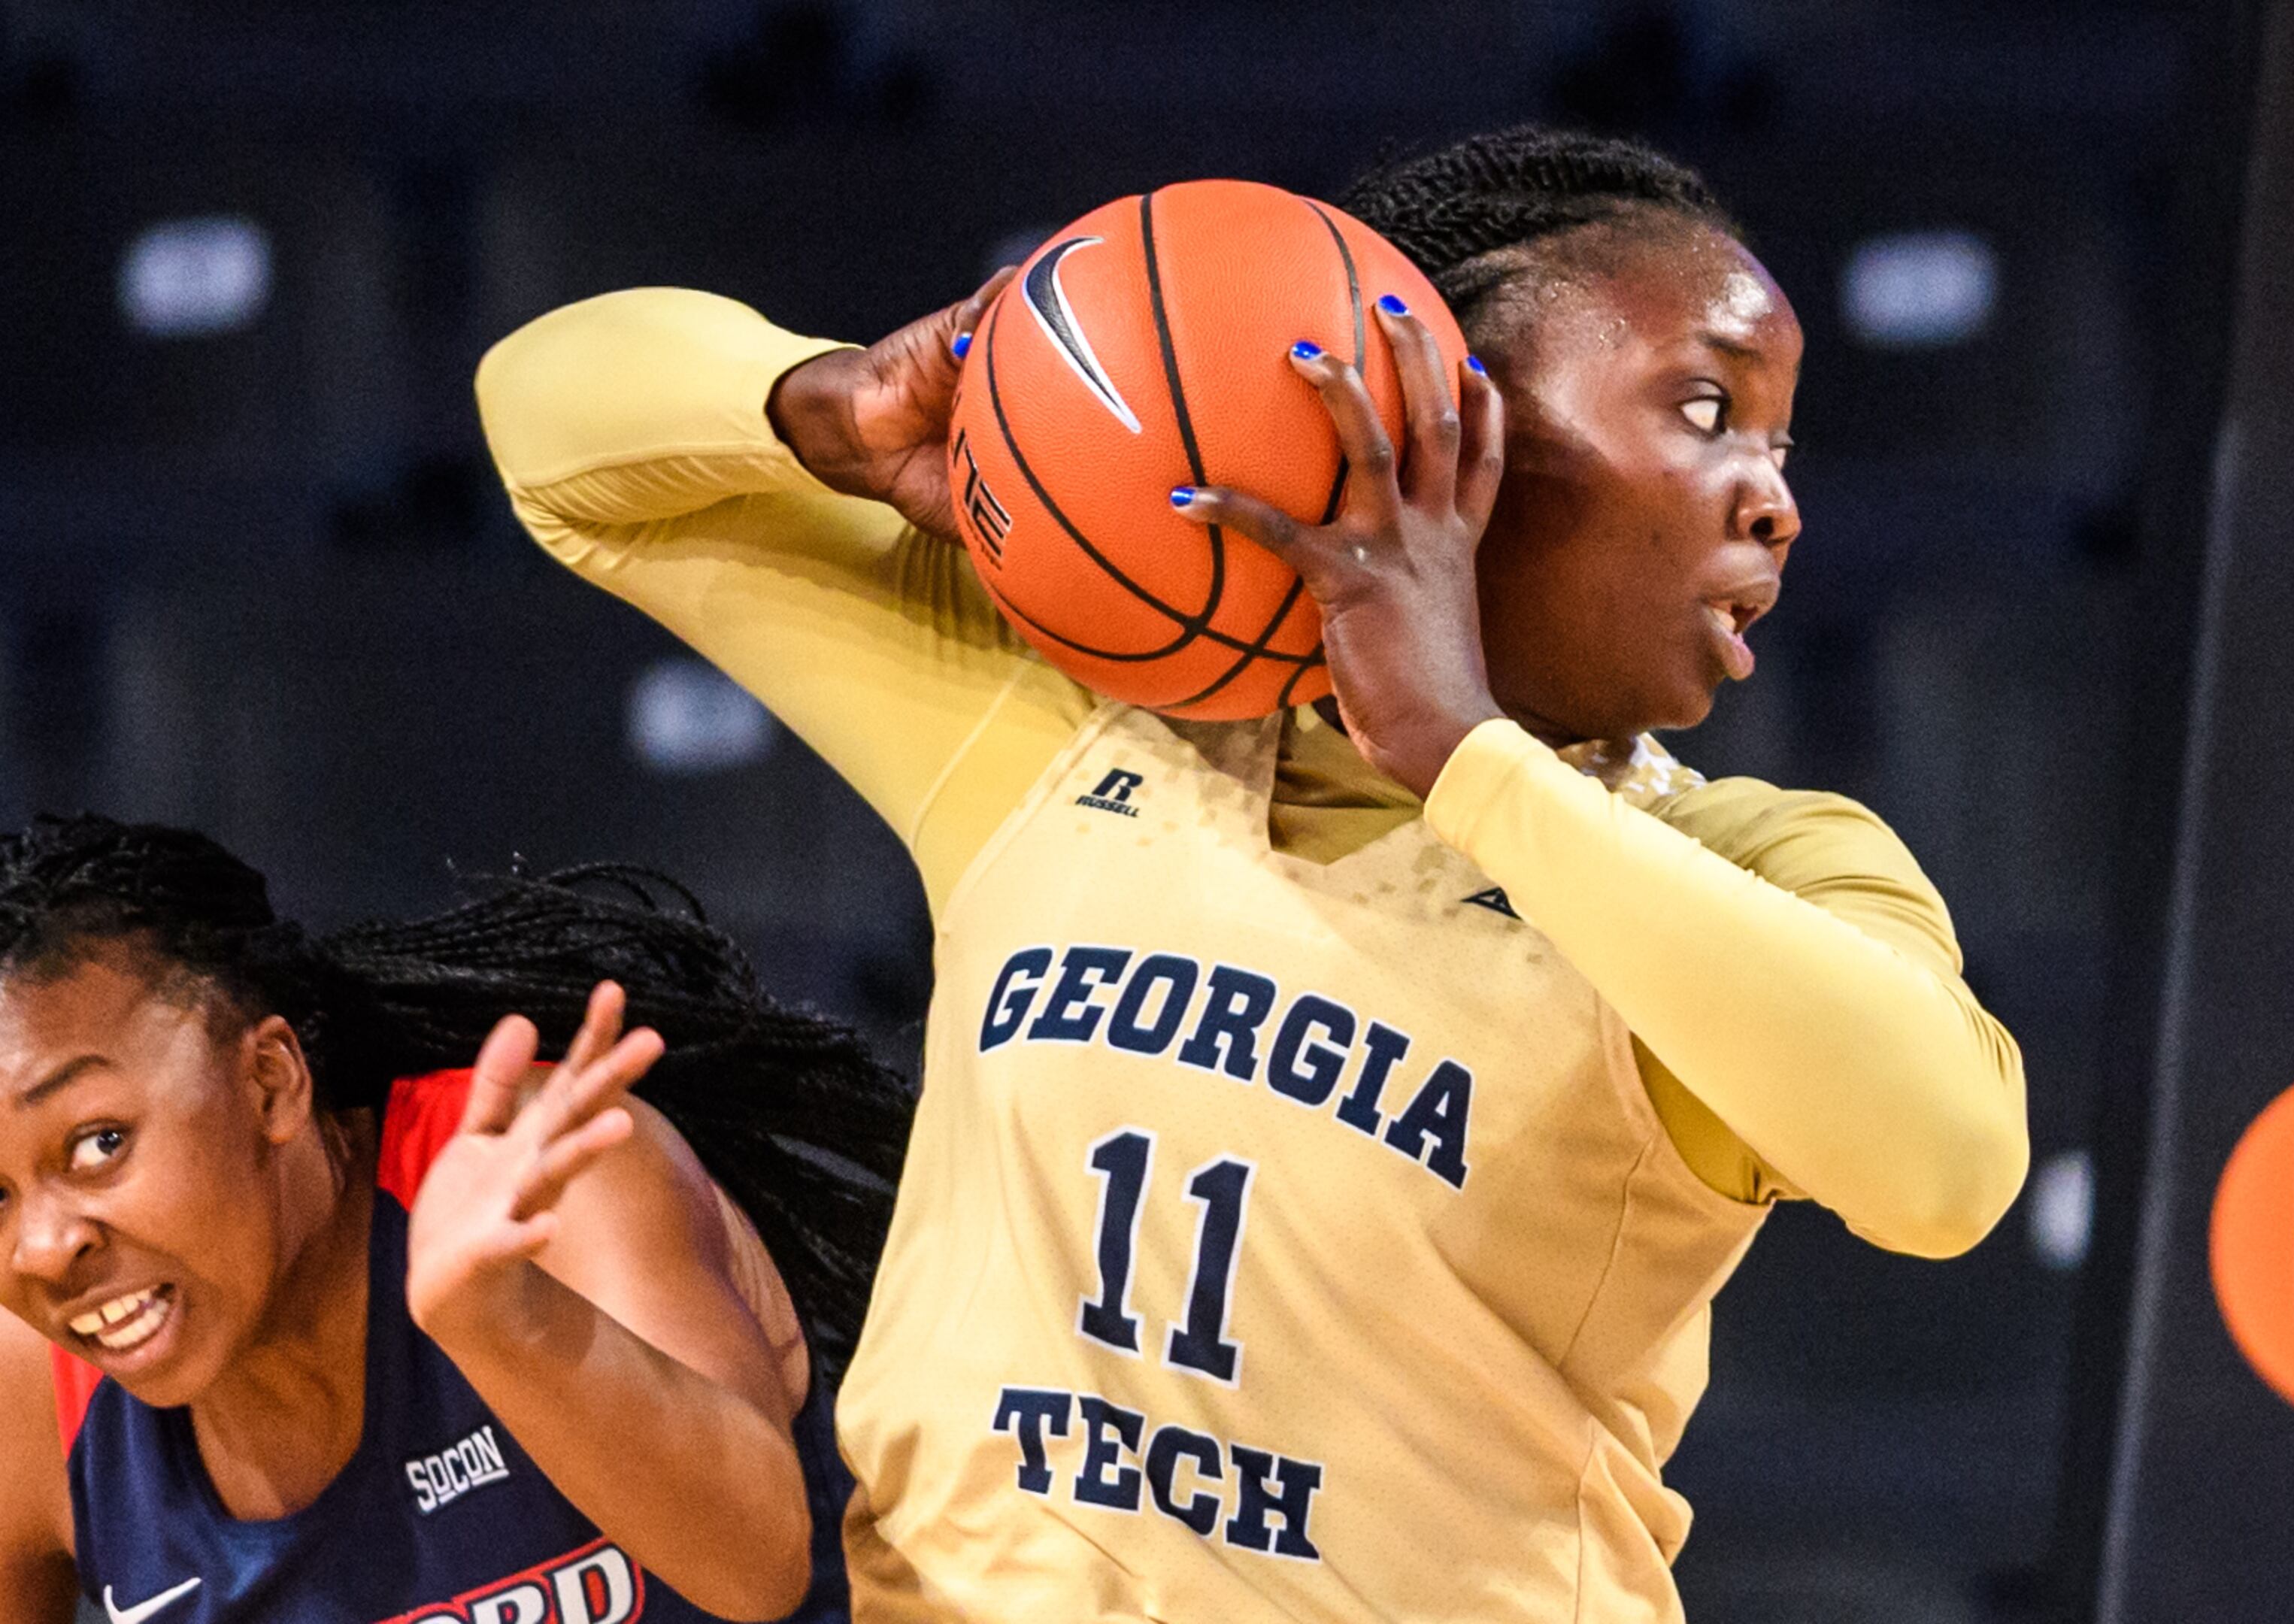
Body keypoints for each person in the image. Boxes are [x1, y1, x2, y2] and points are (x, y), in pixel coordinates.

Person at [478, 125, 2029, 1622]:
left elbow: (1946, 1165)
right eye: (1706, 410)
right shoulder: (1067, 733)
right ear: (1436, 408)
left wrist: (1465, 754)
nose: (1776, 499)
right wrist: (826, 404)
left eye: (1777, 441)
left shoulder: (1746, 859)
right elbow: (547, 425)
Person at [0, 817, 906, 1622]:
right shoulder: (31, 1394)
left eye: (99, 1142)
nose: (44, 1249)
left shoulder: (542, 1176)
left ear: (269, 1083)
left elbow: (761, 1570)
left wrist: (504, 1321)